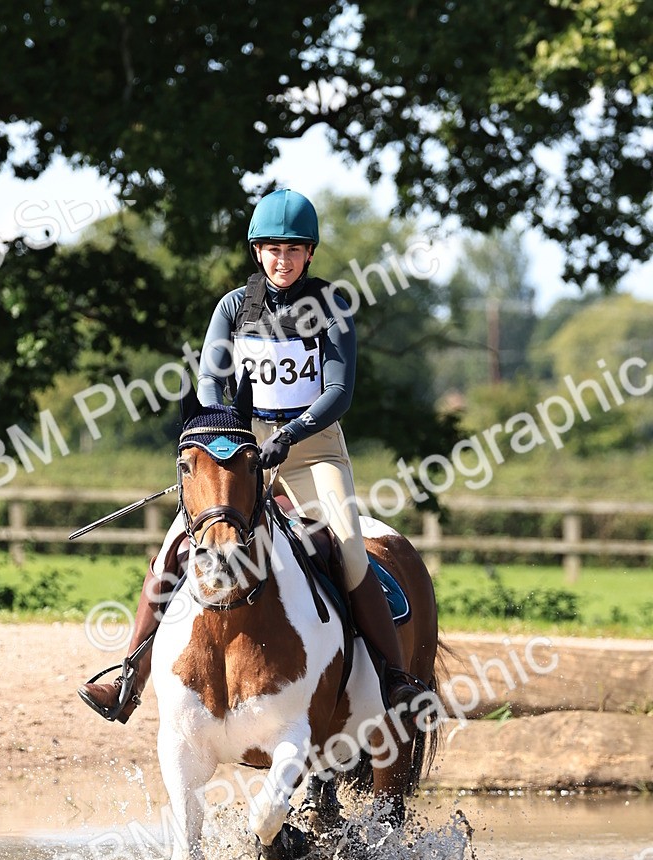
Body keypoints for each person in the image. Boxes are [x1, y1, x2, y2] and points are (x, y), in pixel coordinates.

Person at [79, 188, 424, 723]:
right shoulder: (235, 307)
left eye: (292, 250)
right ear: (257, 252)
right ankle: (127, 679)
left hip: (312, 448)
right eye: (271, 250)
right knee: (174, 547)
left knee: (351, 549)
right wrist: (225, 433)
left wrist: (290, 435)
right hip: (241, 450)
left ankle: (394, 678)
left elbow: (338, 389)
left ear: (309, 254)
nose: (281, 260)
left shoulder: (330, 307)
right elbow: (211, 378)